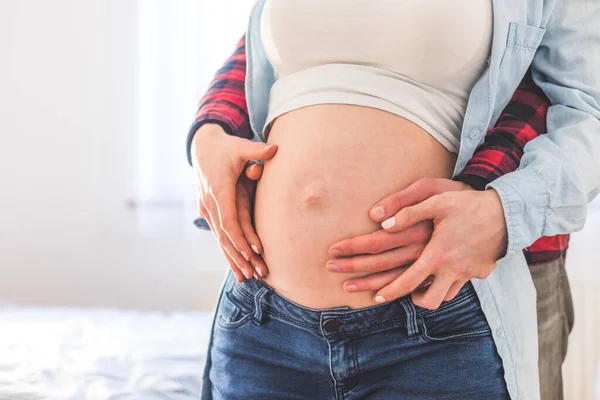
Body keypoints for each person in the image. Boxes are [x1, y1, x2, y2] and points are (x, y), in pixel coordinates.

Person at [189, 1, 600, 399]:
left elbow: (582, 104)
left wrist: (500, 210)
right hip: (262, 324)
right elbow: (269, 45)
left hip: (438, 318)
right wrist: (209, 133)